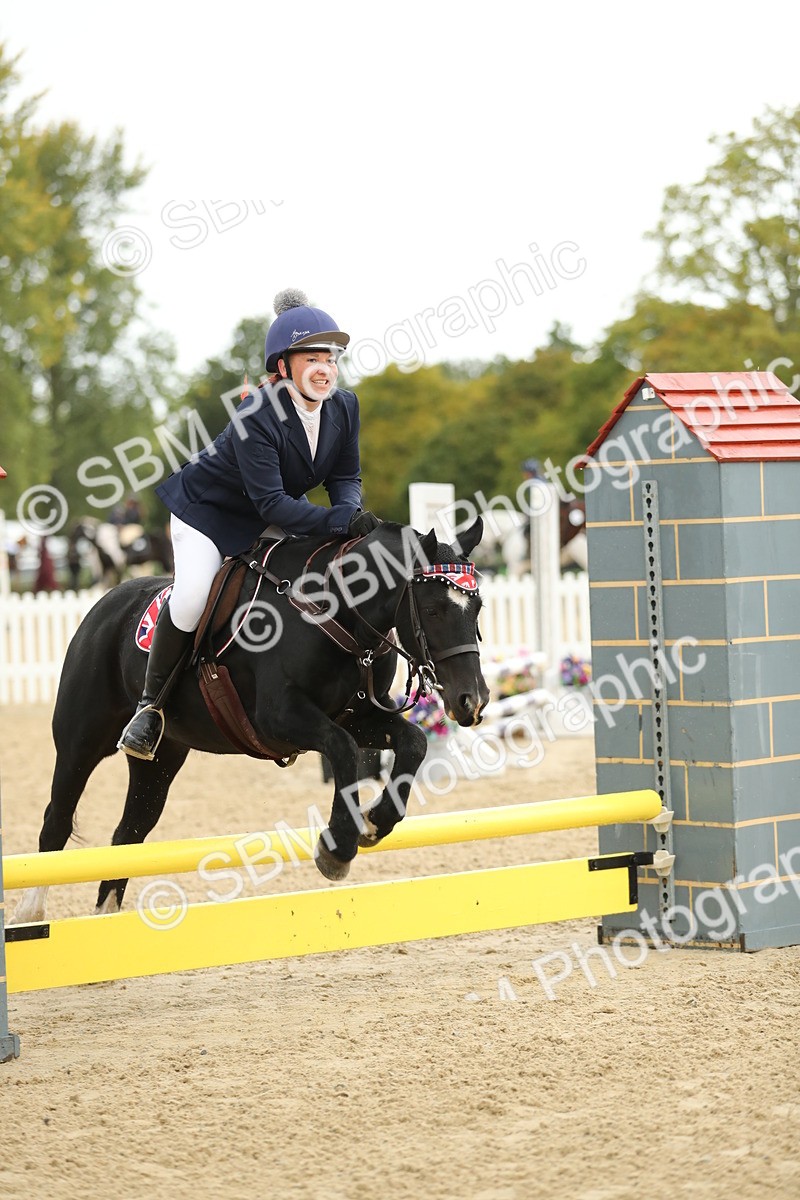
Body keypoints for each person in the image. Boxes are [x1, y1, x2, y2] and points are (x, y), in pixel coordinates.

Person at [117, 289, 380, 760]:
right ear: (283, 367)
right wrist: (338, 519)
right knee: (195, 592)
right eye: (312, 359)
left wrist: (351, 514)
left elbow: (345, 476)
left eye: (331, 358)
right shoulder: (256, 413)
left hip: (270, 512)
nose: (325, 368)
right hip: (209, 515)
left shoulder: (344, 407)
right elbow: (274, 504)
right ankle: (150, 708)